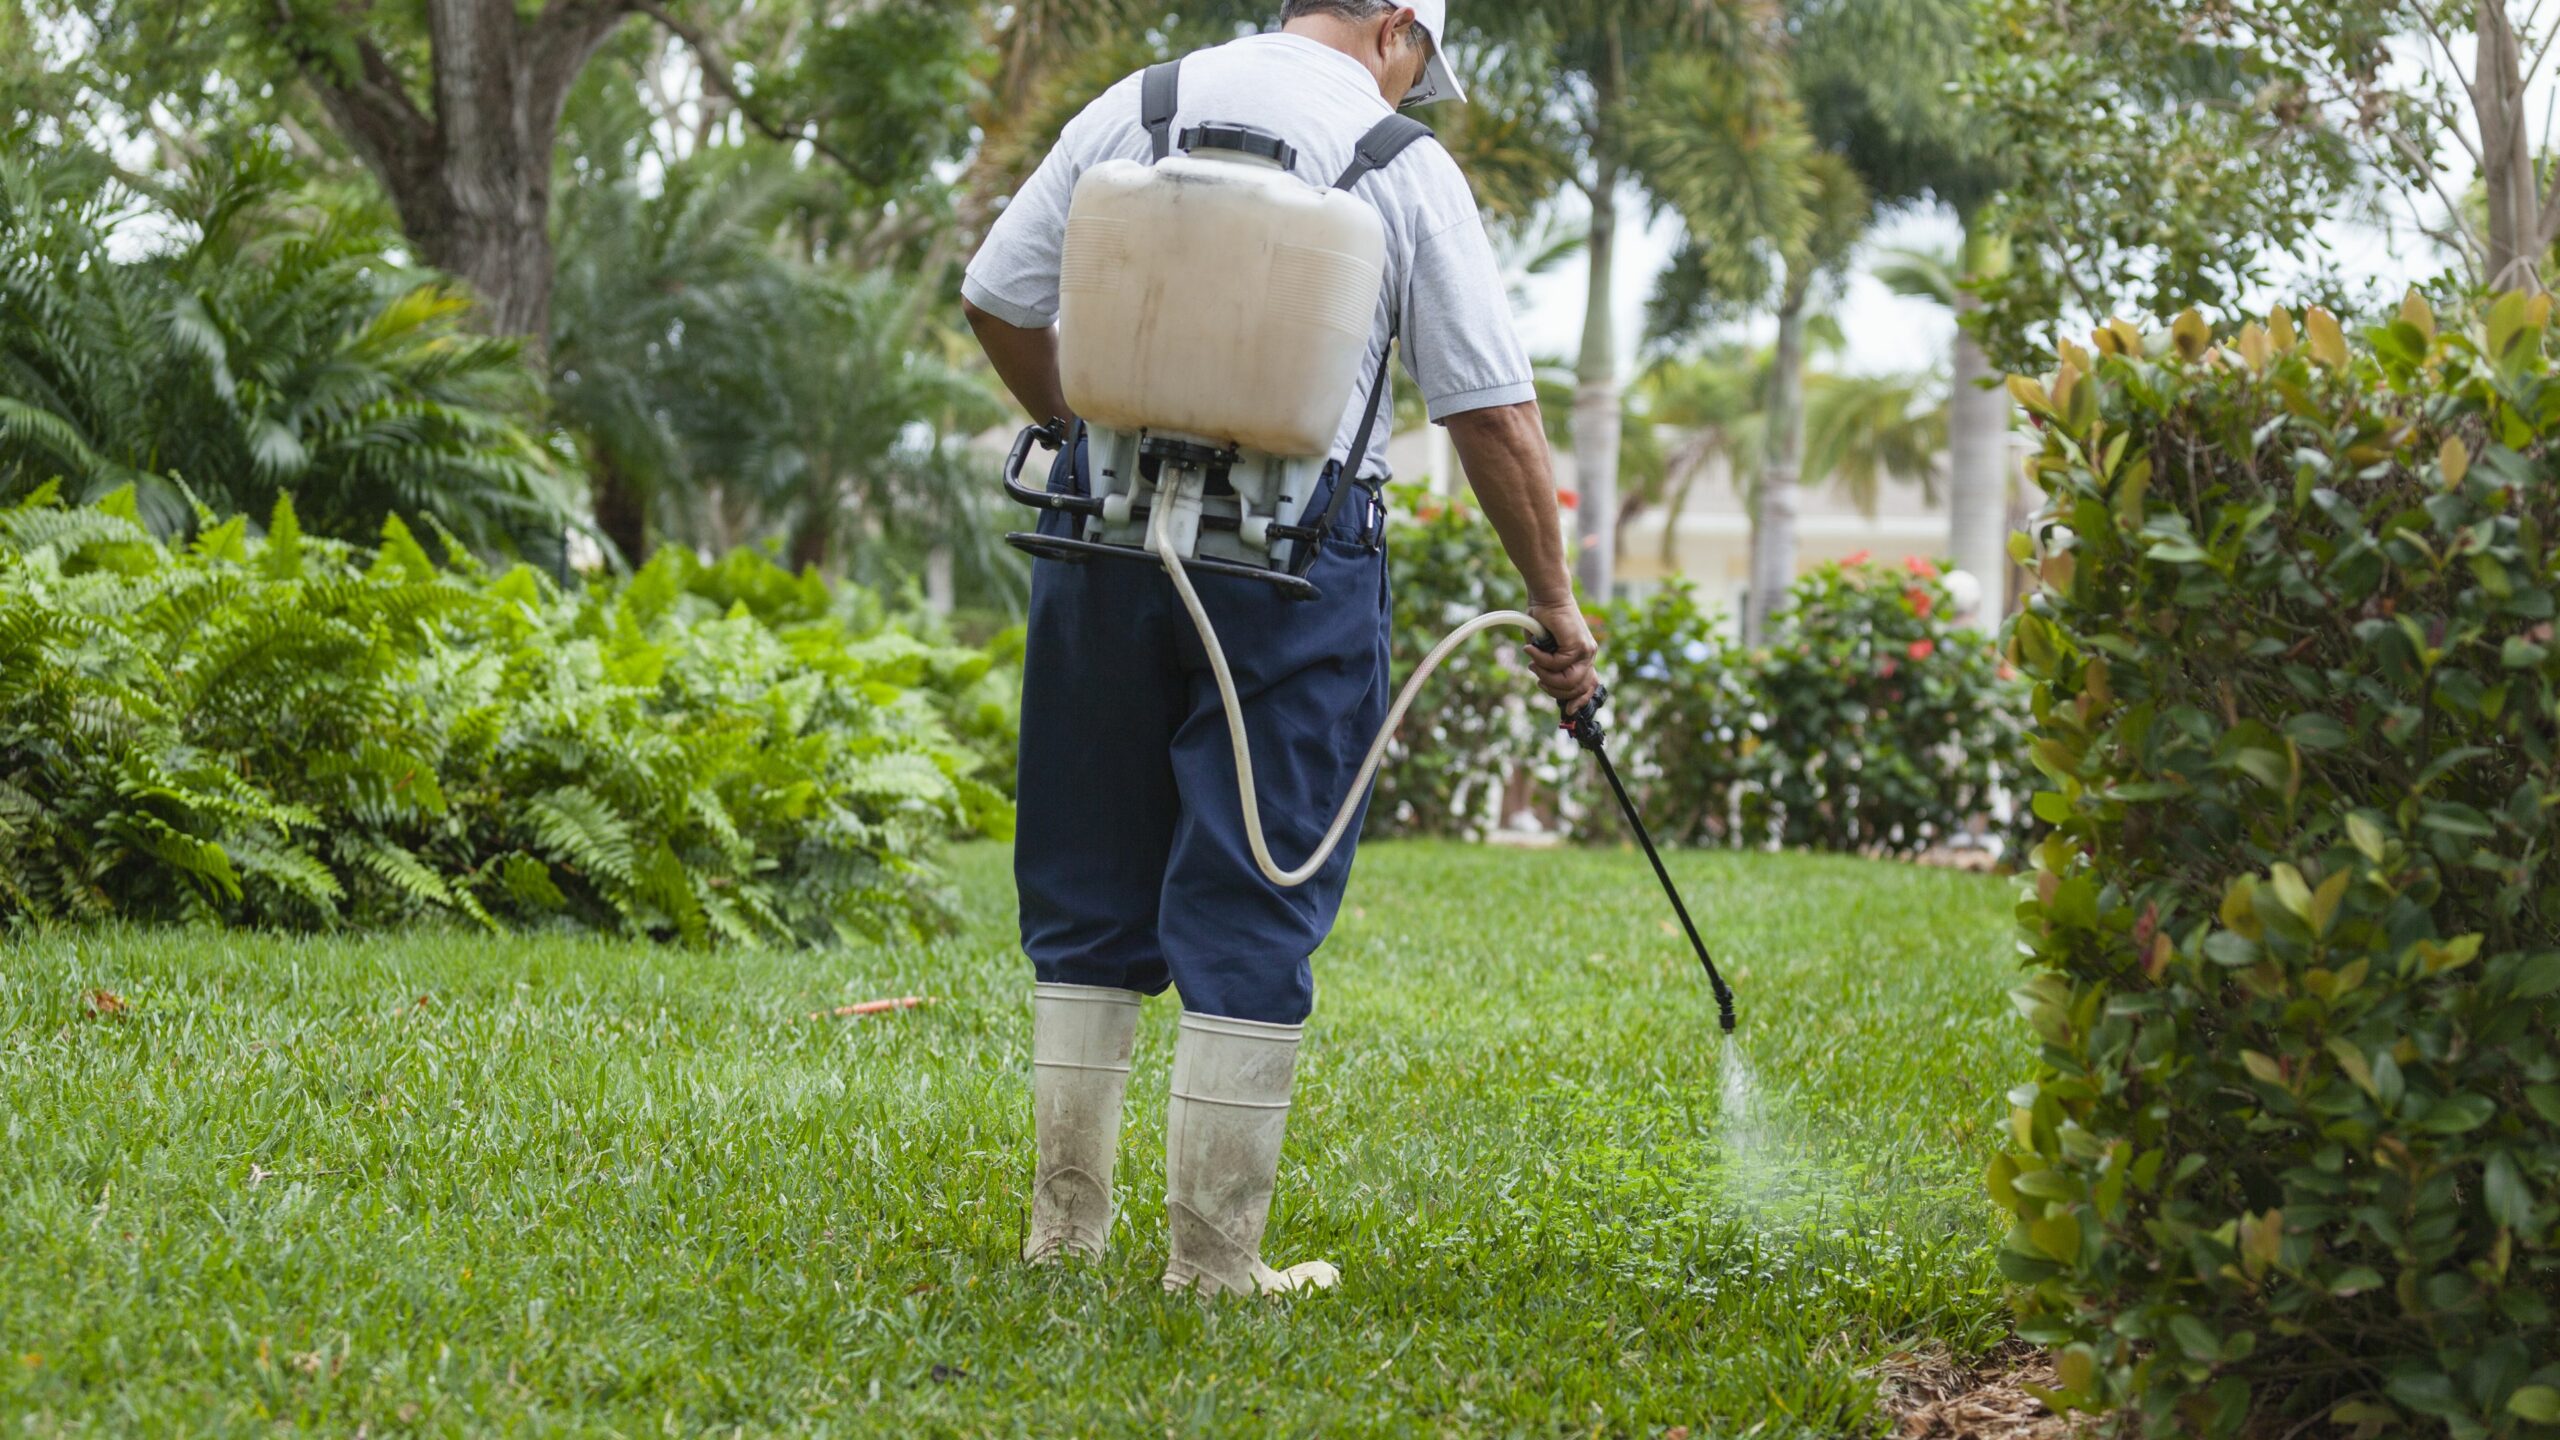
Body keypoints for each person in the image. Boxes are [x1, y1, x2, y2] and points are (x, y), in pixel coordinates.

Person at [961, 0, 1600, 1298]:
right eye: (1420, 64)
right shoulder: (1397, 160)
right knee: (1259, 878)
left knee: (1087, 871)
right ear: (1395, 32)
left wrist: (1088, 438)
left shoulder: (1134, 109)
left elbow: (998, 296)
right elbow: (1490, 412)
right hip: (1295, 568)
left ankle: (1064, 1234)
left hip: (1103, 543)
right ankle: (1212, 1263)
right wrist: (1558, 610)